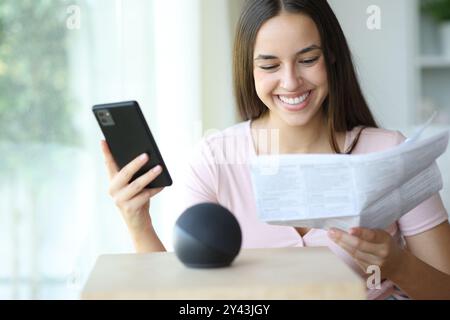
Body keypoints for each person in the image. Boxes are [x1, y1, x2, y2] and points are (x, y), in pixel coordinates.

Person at [101, 0, 450, 300]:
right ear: (249, 70)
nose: (291, 82)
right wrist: (138, 222)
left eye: (308, 59)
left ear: (331, 58)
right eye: (269, 65)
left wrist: (397, 265)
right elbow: (186, 295)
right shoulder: (216, 159)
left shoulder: (391, 152)